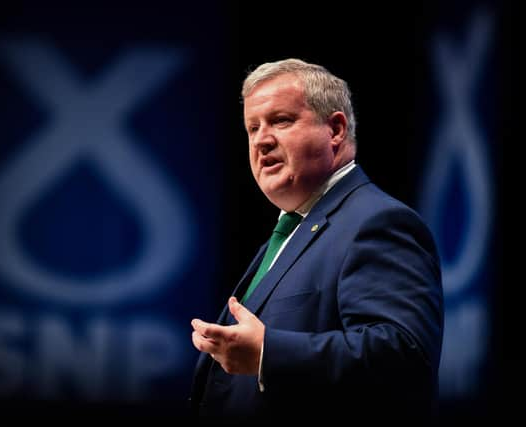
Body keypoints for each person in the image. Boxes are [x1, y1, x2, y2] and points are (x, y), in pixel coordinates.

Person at [189, 58, 443, 419]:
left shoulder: (378, 222)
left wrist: (268, 354)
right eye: (252, 128)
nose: (261, 140)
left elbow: (404, 356)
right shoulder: (289, 234)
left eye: (281, 120)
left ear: (336, 129)